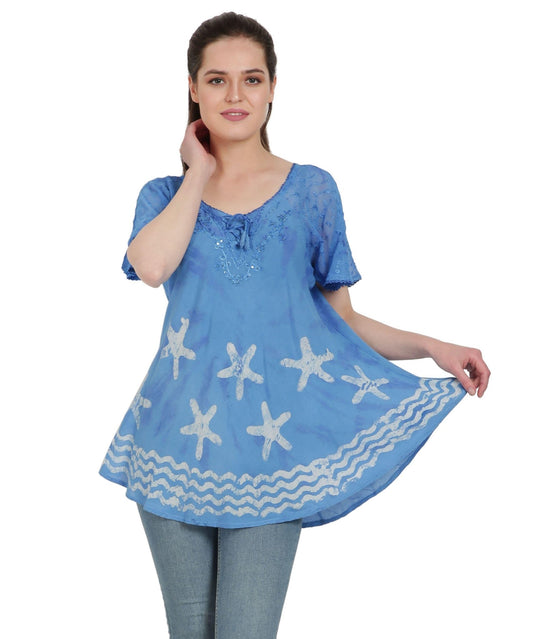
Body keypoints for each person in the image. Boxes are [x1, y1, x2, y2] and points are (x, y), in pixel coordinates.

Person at [99, 11, 490, 639]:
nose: (235, 95)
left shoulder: (312, 192)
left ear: (273, 88)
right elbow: (151, 267)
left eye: (251, 79)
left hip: (268, 453)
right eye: (217, 80)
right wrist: (198, 173)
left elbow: (339, 320)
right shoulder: (164, 195)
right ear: (193, 88)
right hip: (172, 443)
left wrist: (431, 347)